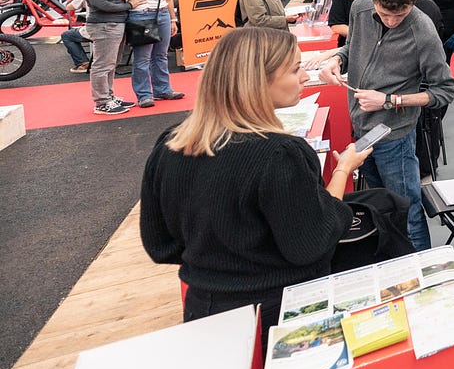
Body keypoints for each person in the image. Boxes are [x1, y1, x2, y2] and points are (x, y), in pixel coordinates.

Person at [140, 27, 369, 328]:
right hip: (283, 315)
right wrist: (343, 170)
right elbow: (313, 242)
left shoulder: (171, 144)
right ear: (259, 80)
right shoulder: (280, 154)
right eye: (296, 69)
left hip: (202, 310)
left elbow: (160, 245)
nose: (304, 77)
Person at [317, 0, 454, 251]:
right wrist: (337, 60)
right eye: (384, 14)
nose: (392, 22)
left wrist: (390, 100)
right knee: (378, 204)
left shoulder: (423, 30)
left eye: (400, 16)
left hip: (395, 136)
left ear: (414, 1)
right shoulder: (359, 8)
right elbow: (353, 47)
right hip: (361, 127)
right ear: (373, 1)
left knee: (407, 210)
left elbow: (445, 91)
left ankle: (422, 270)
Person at [118, 0, 183, 108]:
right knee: (143, 58)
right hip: (140, 16)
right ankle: (144, 94)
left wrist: (173, 18)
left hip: (162, 15)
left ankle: (162, 89)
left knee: (161, 56)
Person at [76, 0, 135, 115]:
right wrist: (129, 5)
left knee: (111, 63)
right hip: (103, 24)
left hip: (115, 23)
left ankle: (108, 96)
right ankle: (101, 102)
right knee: (103, 64)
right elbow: (100, 4)